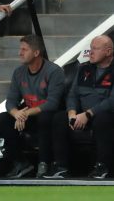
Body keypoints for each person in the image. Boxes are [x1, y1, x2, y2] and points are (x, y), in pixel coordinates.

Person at [0, 35, 65, 178]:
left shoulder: (54, 71)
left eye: (24, 50)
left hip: (50, 115)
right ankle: (20, 163)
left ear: (36, 53)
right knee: (3, 118)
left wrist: (25, 113)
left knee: (44, 117)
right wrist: (16, 114)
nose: (20, 53)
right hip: (28, 116)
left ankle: (44, 163)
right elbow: (11, 101)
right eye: (20, 49)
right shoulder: (19, 72)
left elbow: (52, 103)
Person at [46, 35, 114, 179]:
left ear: (108, 52)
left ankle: (102, 167)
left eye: (95, 49)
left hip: (105, 116)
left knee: (103, 118)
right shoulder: (84, 69)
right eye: (90, 49)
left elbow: (111, 101)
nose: (90, 52)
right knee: (59, 118)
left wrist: (88, 114)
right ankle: (60, 167)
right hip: (82, 116)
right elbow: (72, 95)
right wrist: (72, 113)